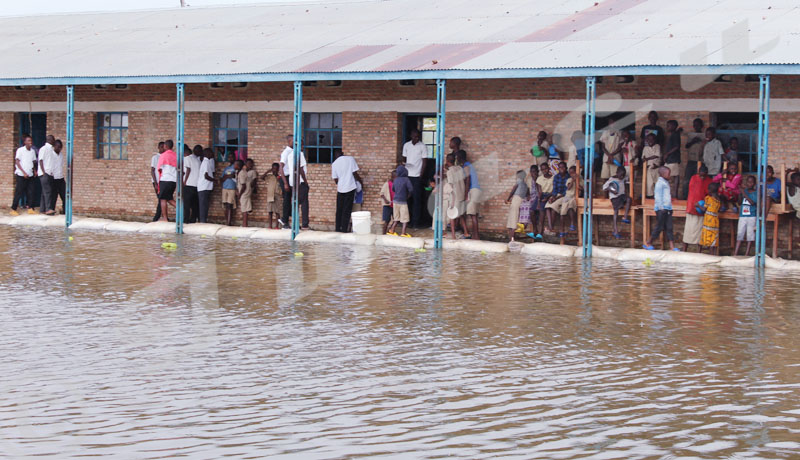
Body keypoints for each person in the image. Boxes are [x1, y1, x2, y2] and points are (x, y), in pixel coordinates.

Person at [643, 166, 679, 251]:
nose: (670, 175)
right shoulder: (659, 183)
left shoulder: (666, 182)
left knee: (669, 227)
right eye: (668, 174)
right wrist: (661, 208)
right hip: (661, 209)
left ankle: (671, 246)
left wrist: (669, 208)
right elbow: (658, 197)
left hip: (668, 209)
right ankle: (648, 243)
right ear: (663, 174)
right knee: (659, 227)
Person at [682, 164, 713, 252]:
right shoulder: (693, 178)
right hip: (692, 207)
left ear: (707, 173)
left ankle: (699, 251)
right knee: (688, 231)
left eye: (704, 175)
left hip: (701, 209)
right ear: (698, 173)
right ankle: (685, 250)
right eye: (701, 175)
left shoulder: (709, 181)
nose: (702, 177)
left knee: (700, 232)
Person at [402, 129, 428, 228]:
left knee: (417, 200)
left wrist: (421, 175)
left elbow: (425, 162)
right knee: (407, 199)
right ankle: (406, 221)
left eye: (417, 137)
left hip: (417, 177)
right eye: (414, 136)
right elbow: (404, 159)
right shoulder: (406, 145)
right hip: (407, 176)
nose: (415, 138)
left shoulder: (422, 146)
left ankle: (415, 222)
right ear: (411, 135)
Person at [331, 149, 361, 232]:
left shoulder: (334, 164)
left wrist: (341, 182)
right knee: (347, 210)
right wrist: (361, 182)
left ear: (335, 156)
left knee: (339, 209)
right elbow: (355, 174)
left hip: (340, 189)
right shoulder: (350, 159)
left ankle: (337, 228)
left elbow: (336, 180)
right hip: (350, 188)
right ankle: (344, 229)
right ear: (342, 153)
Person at [544, 162, 576, 237]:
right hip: (557, 195)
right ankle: (551, 227)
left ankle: (550, 228)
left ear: (566, 168)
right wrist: (553, 197)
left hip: (564, 196)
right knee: (547, 206)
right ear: (558, 169)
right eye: (560, 168)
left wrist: (556, 198)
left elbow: (566, 191)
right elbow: (554, 189)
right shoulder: (556, 177)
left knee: (553, 208)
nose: (561, 169)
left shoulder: (569, 177)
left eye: (563, 167)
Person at [286, 142, 310, 230]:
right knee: (304, 203)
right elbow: (300, 169)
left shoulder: (290, 155)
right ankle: (305, 225)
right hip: (300, 182)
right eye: (302, 145)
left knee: (296, 203)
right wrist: (306, 182)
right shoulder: (300, 154)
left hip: (293, 182)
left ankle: (295, 224)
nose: (303, 147)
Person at [602, 166, 631, 239]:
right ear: (617, 173)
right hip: (614, 198)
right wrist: (611, 190)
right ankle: (615, 230)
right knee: (616, 211)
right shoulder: (611, 179)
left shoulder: (623, 178)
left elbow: (628, 179)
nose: (622, 177)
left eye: (623, 175)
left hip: (621, 195)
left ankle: (625, 217)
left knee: (629, 199)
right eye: (620, 175)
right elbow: (604, 188)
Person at [11, 134, 37, 216]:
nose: (30, 142)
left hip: (30, 174)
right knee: (19, 192)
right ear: (25, 142)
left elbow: (33, 162)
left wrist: (35, 171)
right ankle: (13, 209)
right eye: (28, 141)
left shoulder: (32, 151)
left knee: (31, 192)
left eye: (31, 141)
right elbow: (17, 162)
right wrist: (24, 172)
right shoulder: (20, 150)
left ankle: (30, 208)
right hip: (21, 175)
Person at [459, 150, 481, 240]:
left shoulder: (466, 166)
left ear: (460, 158)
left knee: (472, 215)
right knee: (473, 214)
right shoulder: (468, 165)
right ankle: (476, 236)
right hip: (476, 190)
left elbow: (468, 180)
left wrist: (466, 195)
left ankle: (476, 237)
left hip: (473, 190)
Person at [681, 118, 705, 199]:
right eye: (695, 125)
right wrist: (693, 141)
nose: (696, 126)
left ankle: (697, 197)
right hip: (691, 160)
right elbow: (686, 146)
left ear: (701, 126)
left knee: (699, 180)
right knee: (687, 180)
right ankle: (685, 197)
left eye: (698, 125)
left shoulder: (705, 135)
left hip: (701, 161)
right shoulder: (691, 135)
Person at [387, 165, 413, 237]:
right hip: (403, 202)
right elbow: (411, 189)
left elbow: (393, 189)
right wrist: (408, 195)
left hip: (395, 201)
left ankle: (392, 230)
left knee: (396, 218)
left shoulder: (396, 180)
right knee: (405, 218)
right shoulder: (406, 179)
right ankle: (403, 233)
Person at [444, 153, 466, 239]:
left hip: (455, 196)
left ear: (447, 160)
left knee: (451, 216)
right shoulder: (460, 168)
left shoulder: (450, 172)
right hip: (461, 194)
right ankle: (466, 233)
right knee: (461, 215)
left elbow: (451, 186)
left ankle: (453, 235)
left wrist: (451, 199)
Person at [734, 175, 757, 256]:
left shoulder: (755, 192)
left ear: (754, 183)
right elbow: (740, 203)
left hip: (752, 216)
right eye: (748, 182)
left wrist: (744, 192)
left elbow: (752, 203)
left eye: (751, 182)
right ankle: (735, 253)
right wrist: (740, 193)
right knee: (740, 233)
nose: (749, 184)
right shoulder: (745, 191)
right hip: (742, 215)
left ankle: (747, 254)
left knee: (750, 235)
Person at [156, 140, 178, 222]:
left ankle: (165, 218)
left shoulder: (163, 155)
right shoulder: (175, 155)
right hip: (173, 181)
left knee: (163, 199)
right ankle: (181, 210)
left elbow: (160, 168)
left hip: (165, 179)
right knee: (169, 198)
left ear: (165, 146)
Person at [505, 170, 529, 242]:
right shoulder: (525, 185)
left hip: (516, 200)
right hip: (520, 201)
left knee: (513, 220)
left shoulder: (519, 181)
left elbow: (514, 189)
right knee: (513, 219)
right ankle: (512, 238)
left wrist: (508, 198)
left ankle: (512, 239)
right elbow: (527, 194)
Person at [699, 182, 722, 254]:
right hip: (715, 220)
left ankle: (709, 255)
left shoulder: (708, 198)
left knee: (708, 237)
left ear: (710, 190)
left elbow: (704, 209)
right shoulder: (719, 200)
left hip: (708, 220)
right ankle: (713, 254)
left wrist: (697, 205)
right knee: (714, 237)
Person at [36, 135, 57, 215]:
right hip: (44, 173)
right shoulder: (44, 149)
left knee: (44, 192)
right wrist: (44, 172)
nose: (54, 141)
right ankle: (48, 209)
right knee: (48, 191)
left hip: (49, 173)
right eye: (53, 139)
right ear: (50, 140)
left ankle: (42, 209)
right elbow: (40, 160)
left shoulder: (51, 149)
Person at [599, 117, 622, 184]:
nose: (612, 124)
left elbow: (620, 147)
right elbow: (603, 146)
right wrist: (609, 155)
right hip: (606, 157)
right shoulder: (605, 133)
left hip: (615, 158)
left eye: (614, 122)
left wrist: (612, 155)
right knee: (605, 177)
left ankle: (614, 193)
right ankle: (606, 193)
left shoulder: (619, 133)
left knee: (615, 176)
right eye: (611, 123)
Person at [260, 162, 282, 229]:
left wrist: (279, 179)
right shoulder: (269, 176)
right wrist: (267, 171)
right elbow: (261, 177)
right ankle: (270, 225)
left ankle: (277, 226)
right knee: (270, 211)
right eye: (273, 169)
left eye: (276, 169)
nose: (275, 170)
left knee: (277, 211)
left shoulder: (280, 177)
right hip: (270, 195)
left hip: (277, 195)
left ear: (278, 169)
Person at [183, 144, 201, 224]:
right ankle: (193, 219)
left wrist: (184, 181)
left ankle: (186, 220)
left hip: (189, 183)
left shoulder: (187, 158)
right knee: (194, 204)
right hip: (196, 184)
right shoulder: (198, 160)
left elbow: (188, 170)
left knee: (186, 204)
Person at [278, 135, 294, 229]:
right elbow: (281, 167)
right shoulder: (286, 152)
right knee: (287, 200)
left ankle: (289, 220)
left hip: (291, 177)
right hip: (285, 178)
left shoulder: (293, 151)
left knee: (291, 200)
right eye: (293, 141)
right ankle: (285, 221)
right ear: (289, 141)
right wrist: (285, 183)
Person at [663, 120, 682, 197]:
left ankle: (674, 194)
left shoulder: (675, 135)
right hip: (670, 159)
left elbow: (677, 146)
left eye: (668, 126)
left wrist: (667, 154)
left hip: (673, 159)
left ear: (674, 126)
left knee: (675, 176)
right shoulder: (673, 134)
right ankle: (672, 194)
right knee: (669, 175)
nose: (667, 127)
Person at [237, 159, 258, 227]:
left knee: (244, 210)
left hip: (244, 192)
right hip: (246, 191)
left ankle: (244, 224)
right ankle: (245, 224)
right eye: (248, 163)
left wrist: (239, 195)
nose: (250, 165)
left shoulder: (243, 173)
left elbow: (244, 185)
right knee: (246, 209)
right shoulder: (244, 172)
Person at [197, 148, 215, 224]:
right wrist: (214, 180)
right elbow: (206, 176)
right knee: (203, 205)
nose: (212, 154)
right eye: (211, 153)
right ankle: (202, 221)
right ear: (207, 154)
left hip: (205, 187)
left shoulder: (205, 162)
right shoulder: (206, 162)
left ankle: (203, 220)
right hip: (204, 187)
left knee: (204, 205)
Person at [525, 165, 542, 240]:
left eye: (535, 171)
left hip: (538, 196)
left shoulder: (540, 178)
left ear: (538, 172)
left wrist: (535, 180)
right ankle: (524, 224)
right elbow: (527, 189)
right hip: (532, 196)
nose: (533, 173)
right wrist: (528, 195)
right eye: (532, 172)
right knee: (523, 204)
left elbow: (540, 191)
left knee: (531, 207)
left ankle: (535, 230)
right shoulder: (528, 179)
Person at [536, 164, 554, 235]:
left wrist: (547, 197)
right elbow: (540, 191)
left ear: (549, 168)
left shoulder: (553, 178)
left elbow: (554, 190)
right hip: (543, 195)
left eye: (546, 169)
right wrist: (539, 200)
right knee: (541, 212)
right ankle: (540, 233)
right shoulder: (539, 179)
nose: (544, 171)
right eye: (542, 169)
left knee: (547, 209)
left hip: (551, 195)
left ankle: (547, 229)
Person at [642, 133, 661, 198]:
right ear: (646, 140)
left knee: (657, 183)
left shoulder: (657, 146)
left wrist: (647, 158)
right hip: (649, 168)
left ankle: (657, 197)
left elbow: (656, 155)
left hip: (656, 168)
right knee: (649, 184)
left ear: (655, 140)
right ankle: (650, 197)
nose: (650, 141)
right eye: (648, 140)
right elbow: (643, 158)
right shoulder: (645, 148)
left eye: (652, 140)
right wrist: (644, 159)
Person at [221, 154, 238, 226]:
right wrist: (228, 176)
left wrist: (226, 176)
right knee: (225, 204)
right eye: (229, 157)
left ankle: (229, 222)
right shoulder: (226, 168)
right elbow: (222, 178)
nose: (230, 159)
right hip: (225, 188)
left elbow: (234, 176)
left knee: (230, 205)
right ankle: (226, 221)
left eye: (232, 157)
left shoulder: (236, 167)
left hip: (232, 188)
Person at [150, 141, 165, 221]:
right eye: (162, 147)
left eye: (164, 147)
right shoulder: (155, 158)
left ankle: (162, 216)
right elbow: (152, 170)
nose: (163, 148)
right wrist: (155, 183)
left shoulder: (165, 157)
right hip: (157, 181)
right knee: (161, 199)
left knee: (162, 199)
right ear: (158, 148)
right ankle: (156, 217)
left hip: (163, 181)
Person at [50, 140, 66, 214]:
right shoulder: (51, 155)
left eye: (60, 147)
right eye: (58, 147)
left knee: (65, 195)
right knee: (53, 196)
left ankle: (65, 211)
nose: (59, 149)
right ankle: (51, 210)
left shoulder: (61, 155)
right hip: (54, 178)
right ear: (54, 146)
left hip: (60, 177)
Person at [380, 170, 395, 234]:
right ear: (392, 177)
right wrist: (385, 200)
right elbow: (381, 193)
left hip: (394, 204)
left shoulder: (397, 184)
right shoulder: (387, 184)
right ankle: (383, 233)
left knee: (396, 219)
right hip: (387, 205)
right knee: (386, 220)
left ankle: (390, 230)